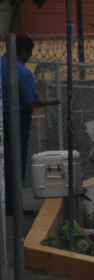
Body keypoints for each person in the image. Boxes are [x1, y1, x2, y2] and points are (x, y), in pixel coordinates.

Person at [2, 34, 61, 216]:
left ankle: (7, 204)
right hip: (17, 118)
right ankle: (13, 207)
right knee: (16, 162)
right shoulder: (23, 72)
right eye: (29, 53)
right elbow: (30, 102)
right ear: (22, 52)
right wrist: (52, 102)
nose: (29, 57)